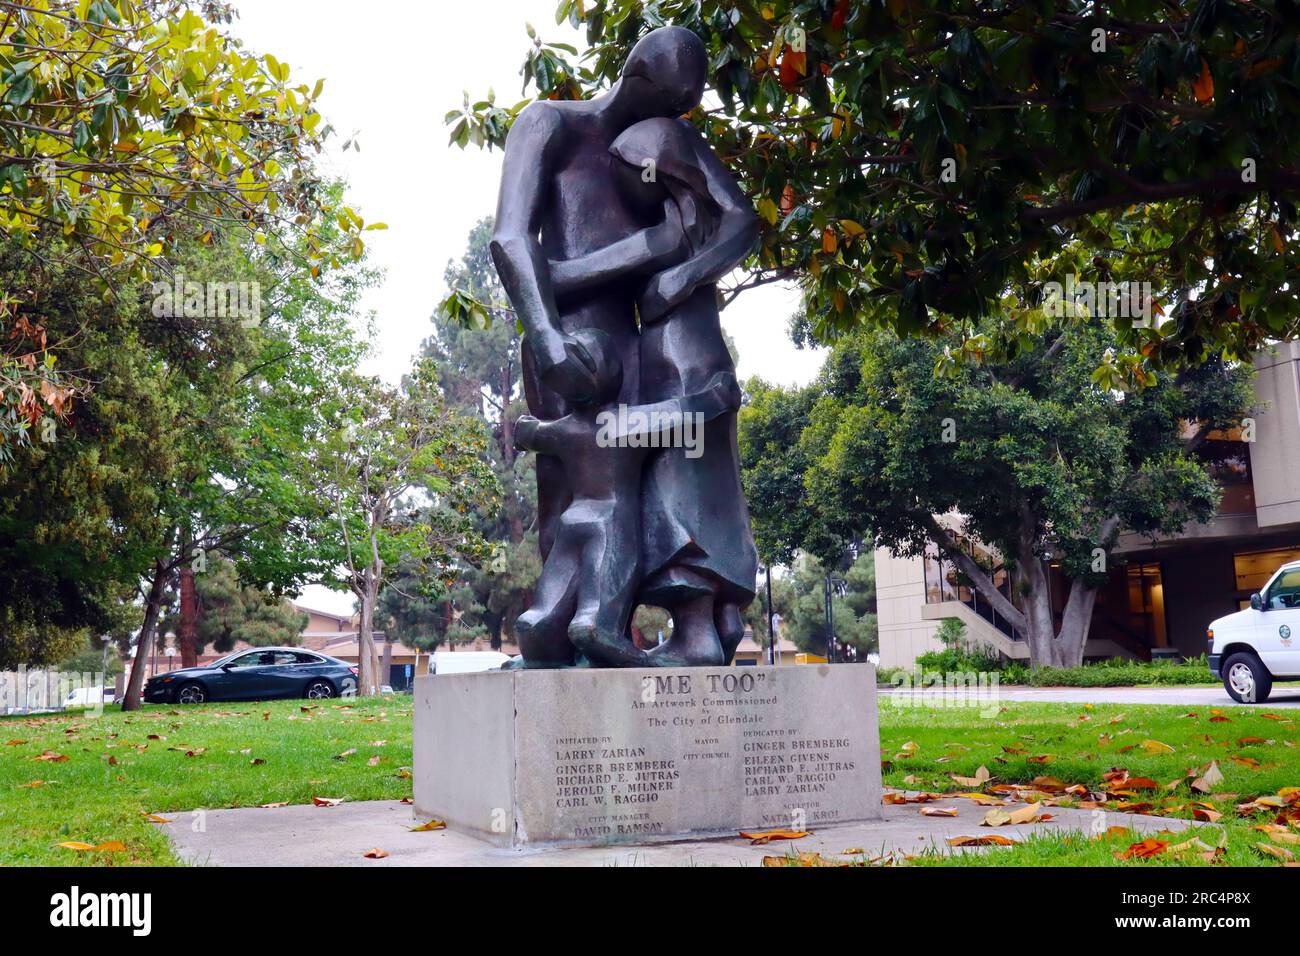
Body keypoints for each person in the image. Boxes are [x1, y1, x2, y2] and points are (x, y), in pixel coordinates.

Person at [511, 328, 742, 668]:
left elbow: (526, 432)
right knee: (561, 628)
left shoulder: (569, 429)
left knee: (562, 628)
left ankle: (628, 658)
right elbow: (687, 410)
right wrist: (720, 395)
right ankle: (630, 661)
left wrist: (527, 423)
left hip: (591, 529)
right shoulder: (621, 425)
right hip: (595, 528)